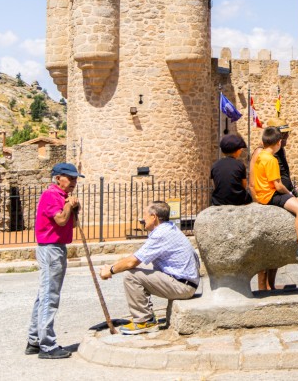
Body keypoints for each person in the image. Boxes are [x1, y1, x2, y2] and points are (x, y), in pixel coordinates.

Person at [98, 201, 200, 334]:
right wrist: (112, 266)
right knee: (135, 273)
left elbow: (132, 262)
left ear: (154, 217)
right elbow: (137, 256)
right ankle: (147, 318)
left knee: (131, 276)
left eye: (144, 215)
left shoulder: (161, 234)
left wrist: (110, 271)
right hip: (185, 282)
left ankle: (144, 321)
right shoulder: (168, 229)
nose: (142, 219)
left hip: (182, 286)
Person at [26, 162, 83, 359]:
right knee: (50, 296)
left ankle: (34, 340)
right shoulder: (51, 195)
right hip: (51, 249)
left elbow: (71, 223)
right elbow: (59, 219)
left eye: (76, 178)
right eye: (70, 177)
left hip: (57, 247)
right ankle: (47, 345)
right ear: (58, 178)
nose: (74, 181)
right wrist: (68, 204)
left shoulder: (62, 196)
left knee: (44, 295)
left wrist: (75, 208)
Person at [251, 126, 298, 264]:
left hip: (262, 194)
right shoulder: (271, 159)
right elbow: (278, 185)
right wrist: (291, 194)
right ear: (278, 143)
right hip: (270, 195)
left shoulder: (260, 155)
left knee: (297, 202)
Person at [210, 133, 251, 206]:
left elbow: (215, 185)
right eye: (240, 149)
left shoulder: (215, 165)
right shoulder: (239, 165)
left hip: (218, 201)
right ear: (237, 151)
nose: (241, 150)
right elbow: (243, 185)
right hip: (237, 200)